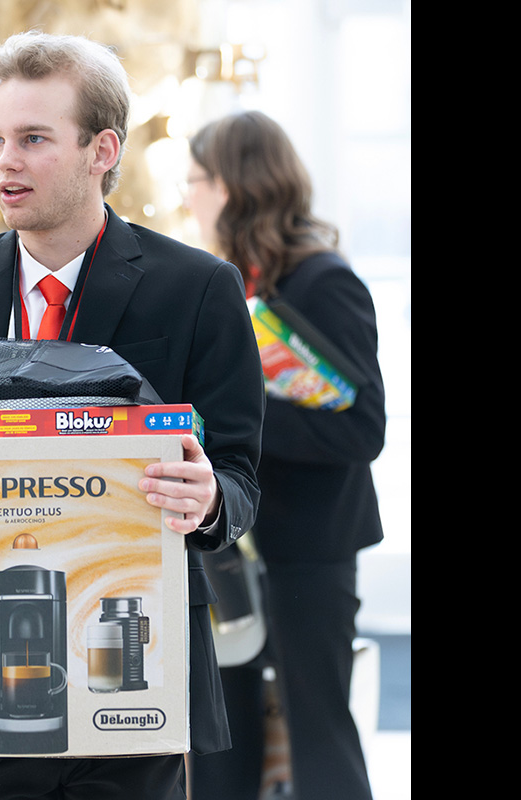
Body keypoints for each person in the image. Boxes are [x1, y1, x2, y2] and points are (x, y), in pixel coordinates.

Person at [0, 31, 265, 800]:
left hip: (133, 669)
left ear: (102, 149)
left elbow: (237, 475)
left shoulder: (198, 289)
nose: (5, 160)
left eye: (33, 139)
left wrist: (208, 500)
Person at [183, 110, 386, 800]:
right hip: (229, 549)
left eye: (196, 180)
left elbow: (363, 430)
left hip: (309, 548)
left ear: (235, 186)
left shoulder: (324, 282)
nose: (187, 197)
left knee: (316, 733)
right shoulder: (227, 284)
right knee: (220, 737)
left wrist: (237, 419)